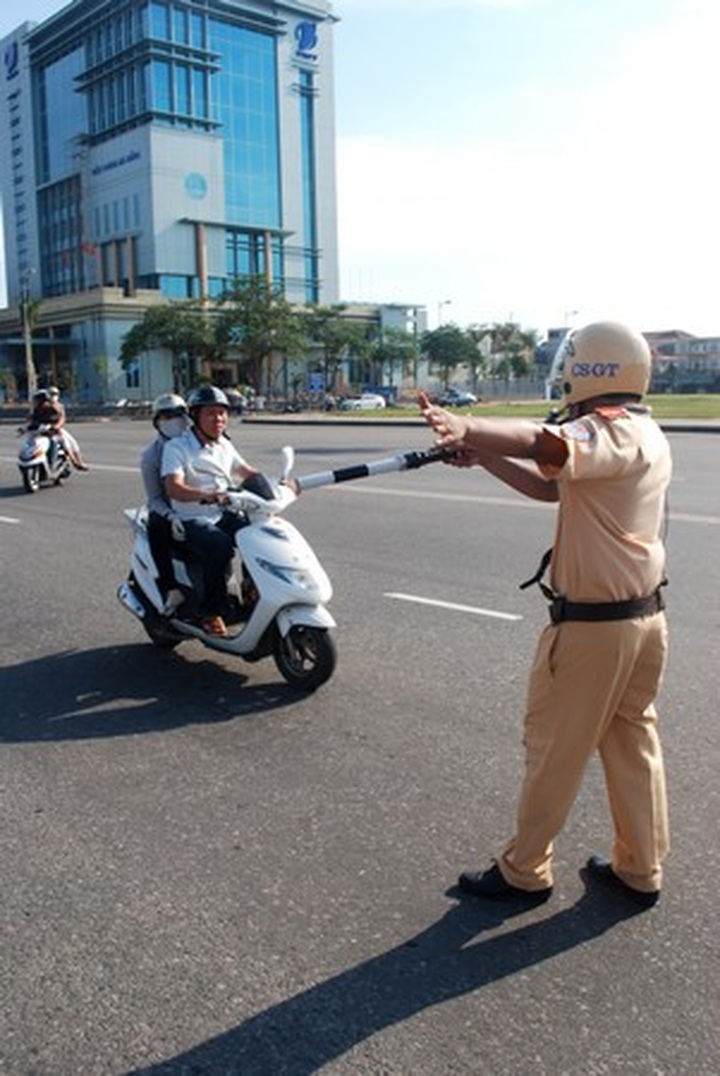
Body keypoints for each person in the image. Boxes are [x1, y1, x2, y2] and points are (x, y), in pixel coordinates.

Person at [419, 320, 671, 910]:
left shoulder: (606, 428)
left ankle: (525, 870)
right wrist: (483, 455)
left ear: (589, 371)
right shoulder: (644, 432)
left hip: (595, 633)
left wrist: (468, 425)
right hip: (642, 622)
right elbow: (552, 489)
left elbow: (545, 443)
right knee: (632, 745)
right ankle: (640, 867)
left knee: (554, 748)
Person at [161, 384, 274, 638]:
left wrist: (272, 491)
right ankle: (210, 613)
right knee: (219, 546)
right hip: (191, 519)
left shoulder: (224, 445)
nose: (219, 419)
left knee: (260, 534)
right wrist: (206, 495)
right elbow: (173, 487)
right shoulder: (177, 447)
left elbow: (246, 472)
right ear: (195, 416)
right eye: (211, 413)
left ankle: (251, 589)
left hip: (222, 513)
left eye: (222, 413)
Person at [139, 393, 191, 614]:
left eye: (178, 415)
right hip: (170, 508)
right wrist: (171, 515)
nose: (174, 421)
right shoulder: (151, 455)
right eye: (167, 416)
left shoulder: (197, 442)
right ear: (157, 422)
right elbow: (155, 499)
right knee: (157, 526)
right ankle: (171, 589)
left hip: (202, 504)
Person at [47, 386, 89, 470]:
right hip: (45, 429)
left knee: (72, 442)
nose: (53, 396)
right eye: (52, 394)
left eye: (55, 394)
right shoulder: (44, 406)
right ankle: (74, 462)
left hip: (57, 429)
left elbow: (62, 418)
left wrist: (57, 426)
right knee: (65, 443)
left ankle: (79, 462)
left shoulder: (60, 406)